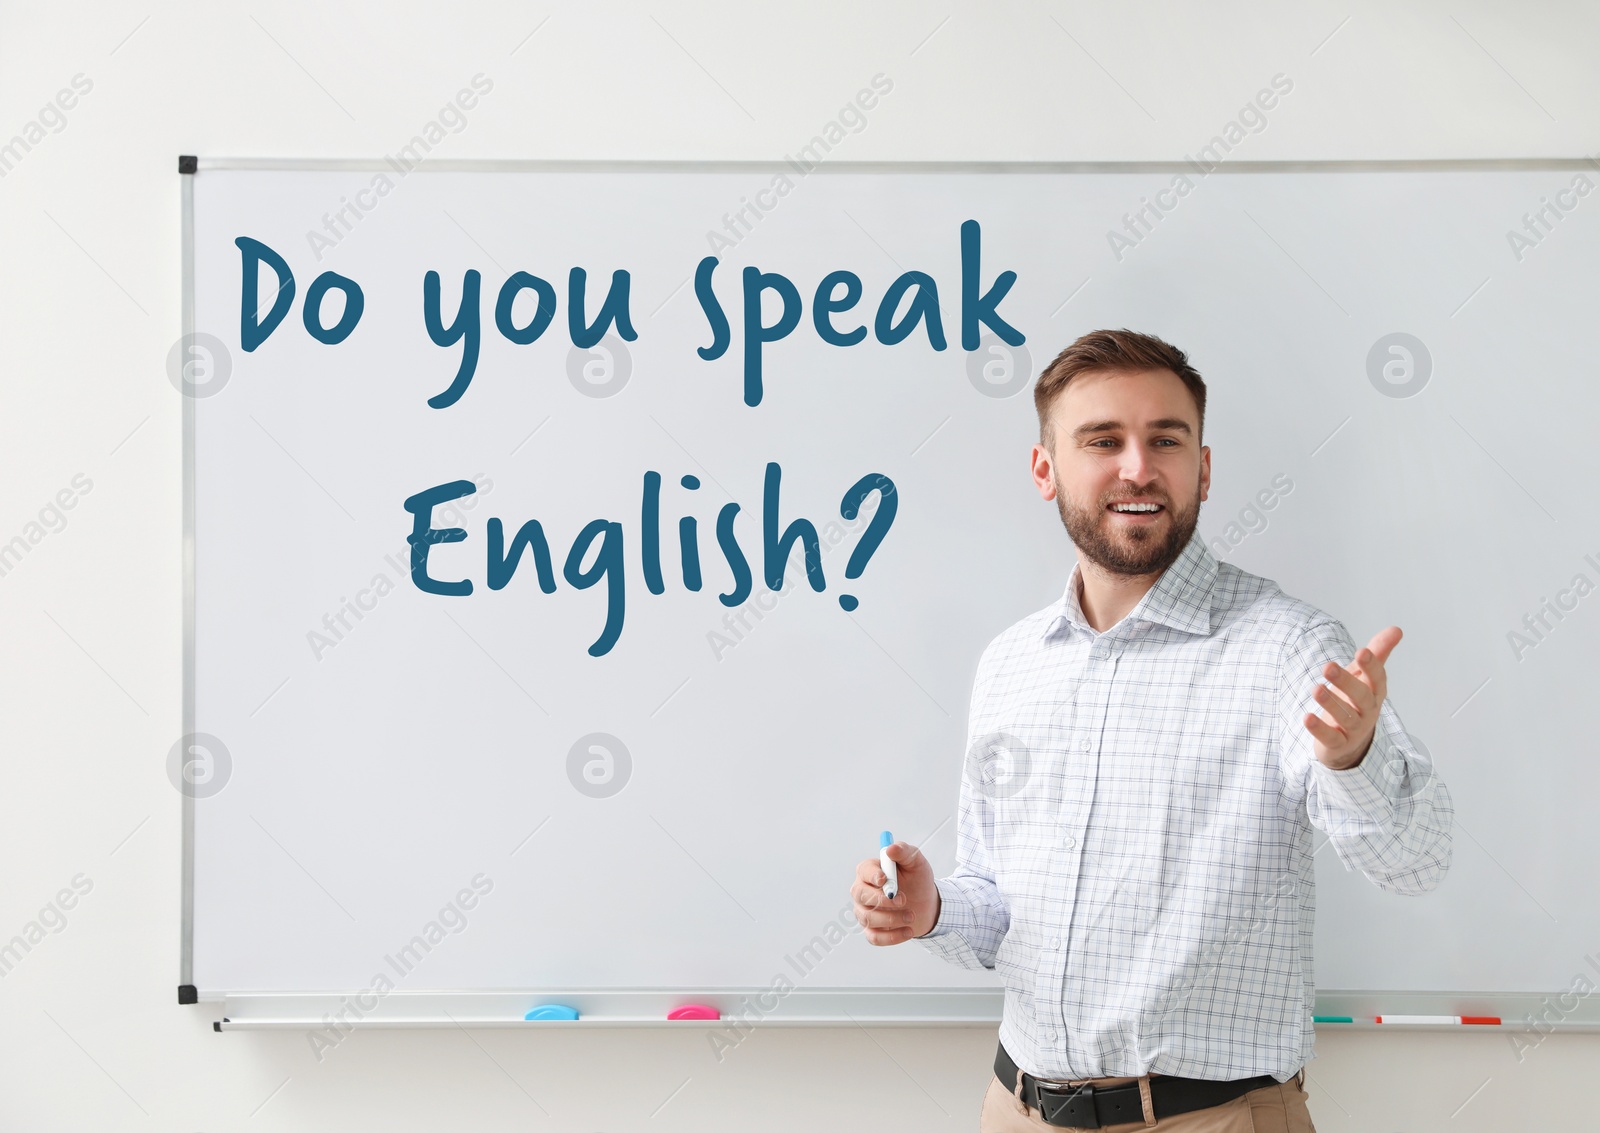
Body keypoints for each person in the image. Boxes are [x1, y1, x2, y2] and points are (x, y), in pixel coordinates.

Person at [850, 329, 1453, 1131]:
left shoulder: (1290, 649)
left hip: (1209, 1117)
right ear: (1046, 470)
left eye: (1165, 440)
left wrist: (1356, 759)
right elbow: (1003, 911)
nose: (1138, 466)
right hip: (1016, 1105)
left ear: (1202, 469)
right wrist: (932, 909)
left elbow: (1420, 863)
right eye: (1103, 440)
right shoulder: (1011, 664)